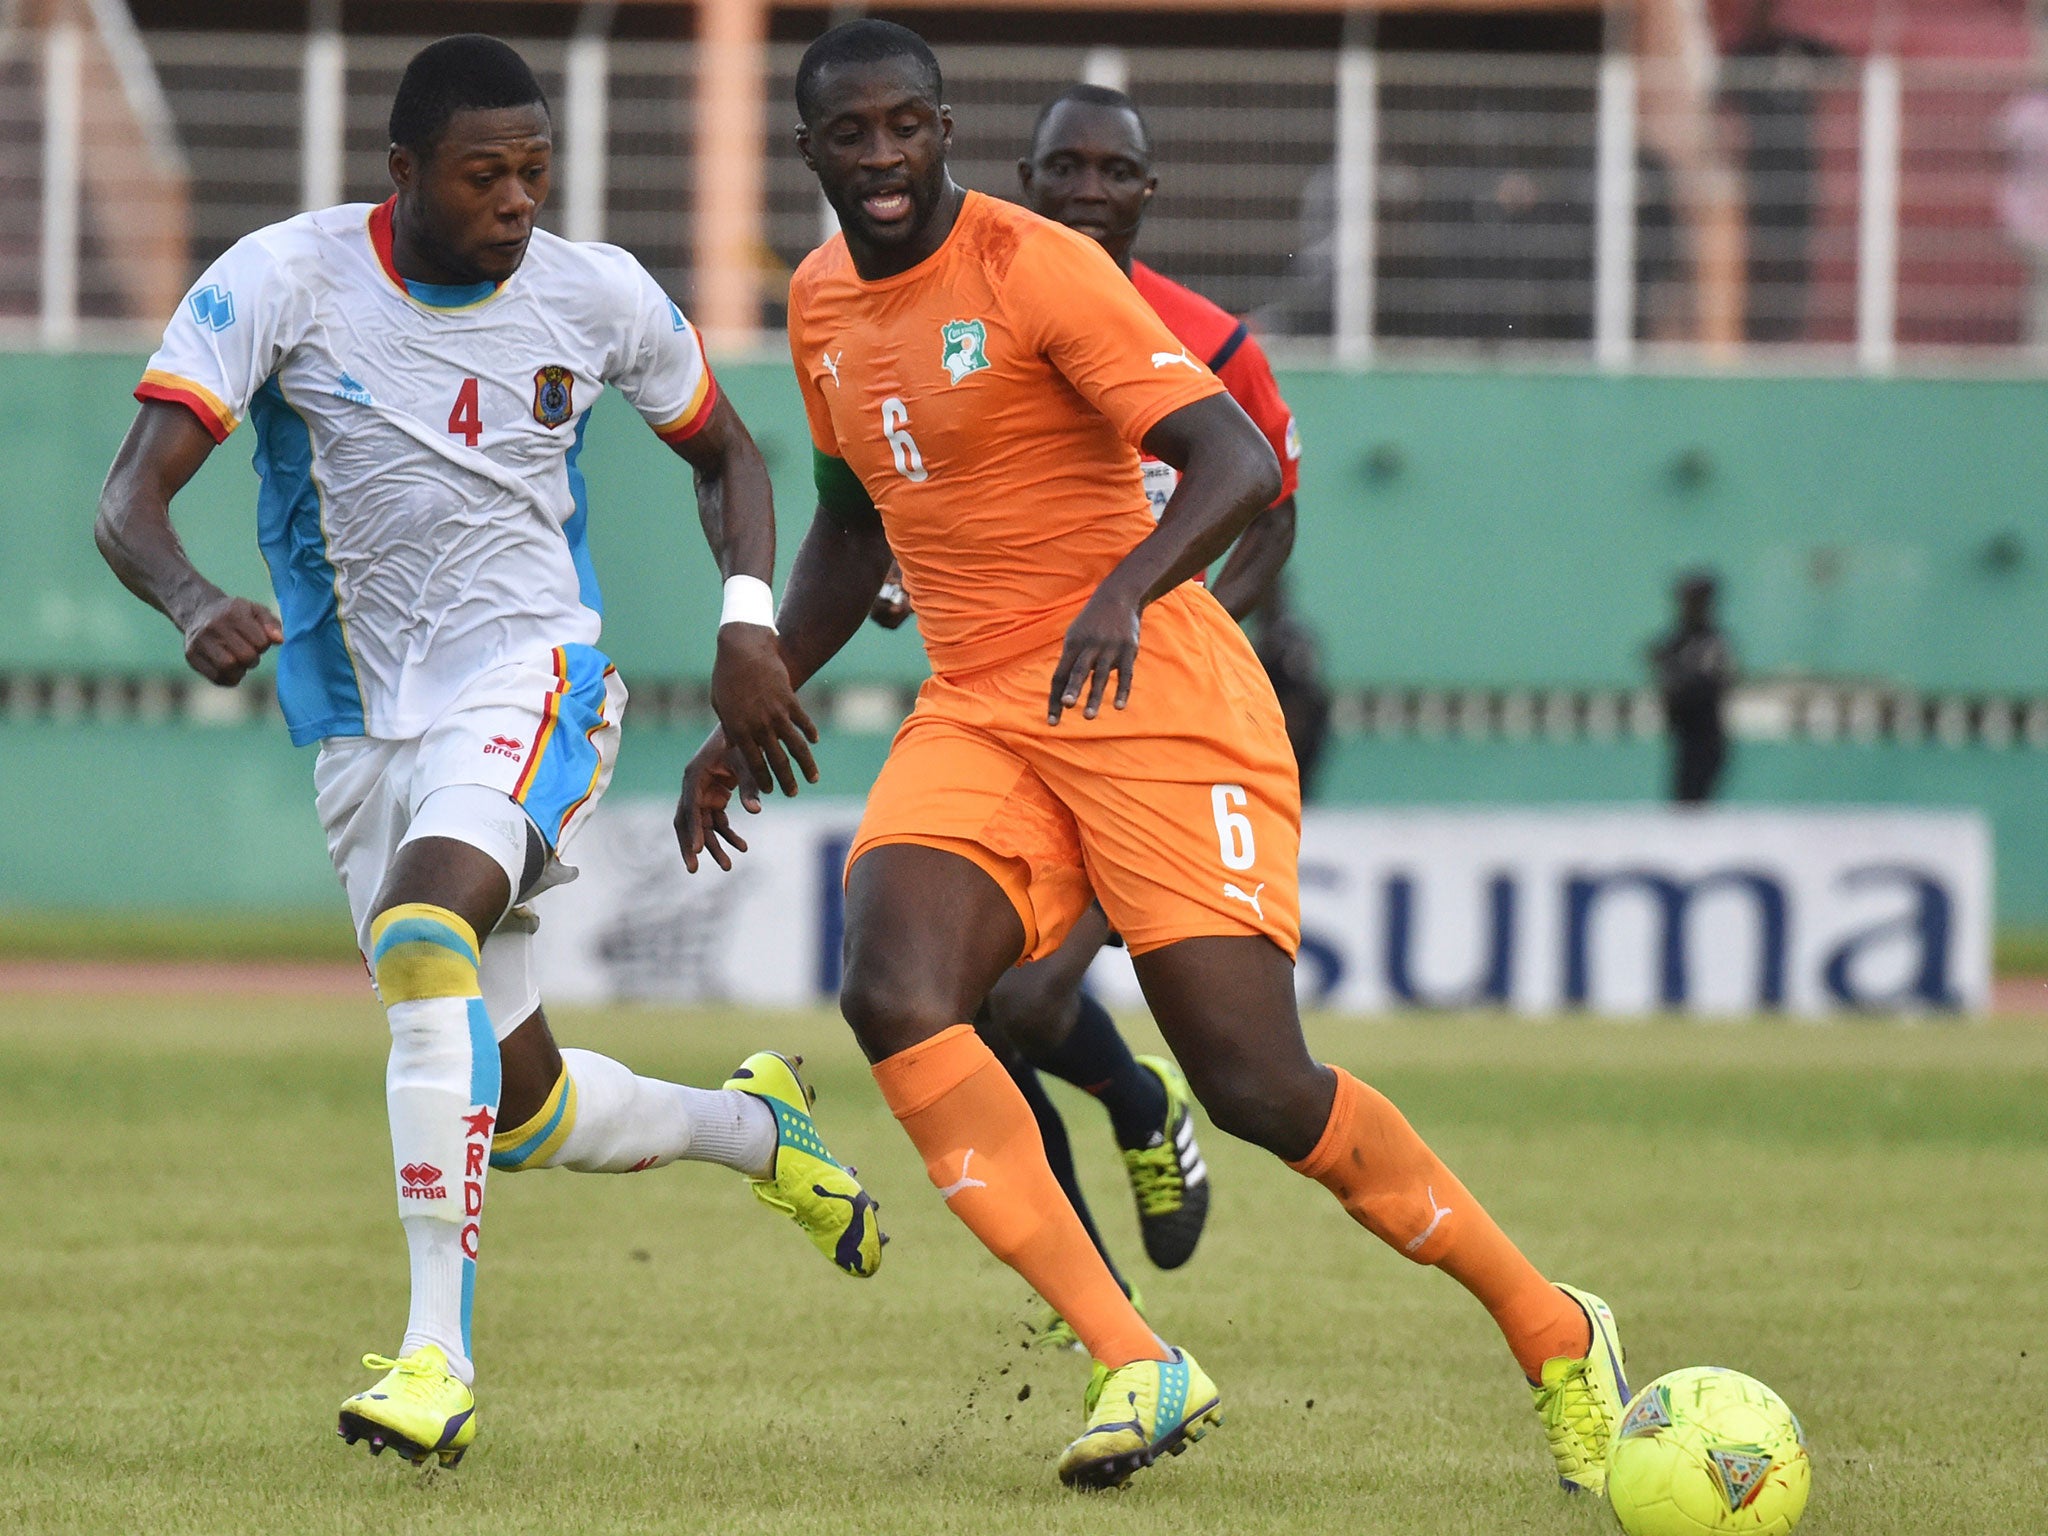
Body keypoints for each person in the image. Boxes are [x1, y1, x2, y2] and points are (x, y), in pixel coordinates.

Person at [680, 18, 1629, 1494]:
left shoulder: (1033, 266)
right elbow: (856, 523)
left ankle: (1554, 1324)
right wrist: (753, 704)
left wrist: (1124, 586)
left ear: (945, 133)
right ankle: (1138, 1356)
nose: (880, 159)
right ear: (809, 151)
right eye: (849, 135)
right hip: (989, 703)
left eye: (905, 128)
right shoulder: (816, 305)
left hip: (1159, 693)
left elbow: (1238, 466)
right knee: (894, 983)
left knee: (1254, 1085)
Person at [93, 35, 880, 1473]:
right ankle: (758, 1133)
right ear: (401, 173)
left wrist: (749, 621)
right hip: (356, 724)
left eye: (534, 170)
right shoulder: (284, 279)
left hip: (535, 674)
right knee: (521, 1110)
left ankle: (433, 1361)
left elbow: (728, 457)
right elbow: (129, 498)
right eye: (484, 173)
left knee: (419, 933)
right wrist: (193, 596)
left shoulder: (597, 294)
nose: (518, 199)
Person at [867, 82, 1313, 1342]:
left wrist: (1177, 622)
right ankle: (1108, 1306)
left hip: (1158, 718)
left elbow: (1264, 503)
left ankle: (1145, 1114)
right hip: (1020, 703)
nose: (1083, 192)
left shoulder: (1208, 343)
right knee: (974, 1005)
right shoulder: (986, 307)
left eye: (1111, 171)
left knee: (1030, 999)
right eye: (1061, 169)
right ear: (1027, 174)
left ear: (1145, 192)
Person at [1648, 571, 1737, 804]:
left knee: (1692, 802)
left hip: (1704, 735)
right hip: (1685, 734)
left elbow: (1714, 682)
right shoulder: (1679, 641)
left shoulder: (1711, 641)